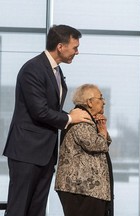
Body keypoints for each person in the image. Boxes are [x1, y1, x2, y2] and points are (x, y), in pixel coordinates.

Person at [2, 25, 92, 216]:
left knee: (37, 210)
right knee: (18, 210)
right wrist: (69, 118)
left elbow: (51, 109)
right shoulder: (33, 69)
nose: (77, 52)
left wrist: (77, 117)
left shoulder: (56, 71)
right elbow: (40, 111)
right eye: (75, 47)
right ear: (60, 46)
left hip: (45, 154)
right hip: (26, 153)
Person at [55, 84, 114, 216]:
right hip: (81, 189)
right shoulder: (81, 120)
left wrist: (101, 128)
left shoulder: (87, 120)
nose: (104, 102)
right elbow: (98, 144)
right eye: (101, 98)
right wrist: (103, 131)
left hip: (86, 190)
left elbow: (103, 143)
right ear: (89, 102)